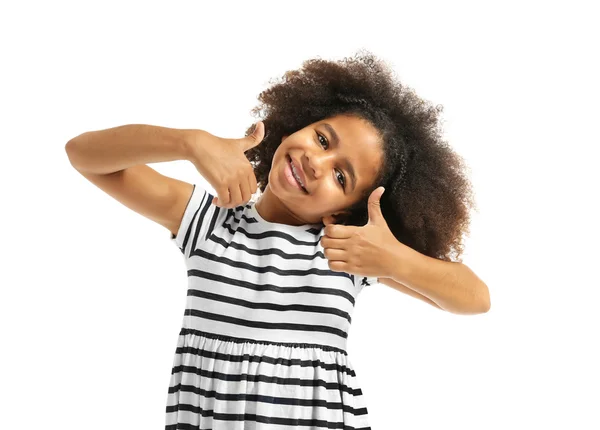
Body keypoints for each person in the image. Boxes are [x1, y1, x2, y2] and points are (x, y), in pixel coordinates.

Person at [65, 49, 489, 429]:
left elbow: (475, 298)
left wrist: (395, 259)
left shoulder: (347, 249)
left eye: (341, 176)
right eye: (322, 139)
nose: (316, 162)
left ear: (343, 210)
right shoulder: (210, 221)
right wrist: (188, 143)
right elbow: (84, 155)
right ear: (297, 122)